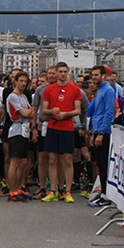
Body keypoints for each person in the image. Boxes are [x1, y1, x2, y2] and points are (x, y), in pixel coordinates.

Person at [40, 62, 82, 204]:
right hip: (53, 127)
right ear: (56, 73)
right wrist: (52, 111)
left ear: (68, 72)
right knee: (52, 159)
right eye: (60, 72)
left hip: (67, 128)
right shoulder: (49, 90)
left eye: (65, 71)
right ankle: (53, 190)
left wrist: (65, 114)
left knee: (68, 160)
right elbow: (44, 110)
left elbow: (78, 110)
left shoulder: (74, 89)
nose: (63, 74)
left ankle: (67, 190)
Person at [5, 71, 36, 202]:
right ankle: (12, 190)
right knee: (15, 161)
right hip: (16, 129)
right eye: (21, 81)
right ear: (15, 81)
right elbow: (26, 112)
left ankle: (18, 188)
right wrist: (29, 113)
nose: (23, 83)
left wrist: (29, 113)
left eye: (25, 81)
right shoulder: (13, 97)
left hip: (24, 130)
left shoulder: (23, 96)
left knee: (23, 162)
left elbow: (32, 112)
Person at [87, 65, 115, 207]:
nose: (94, 78)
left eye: (96, 75)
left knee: (104, 165)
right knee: (99, 164)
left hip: (104, 132)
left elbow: (109, 112)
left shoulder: (108, 90)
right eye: (93, 75)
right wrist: (94, 132)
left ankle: (107, 195)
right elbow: (95, 112)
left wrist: (102, 133)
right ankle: (104, 192)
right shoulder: (100, 91)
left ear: (103, 76)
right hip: (97, 130)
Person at [31, 65, 57, 199]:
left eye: (54, 73)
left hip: (56, 126)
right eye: (50, 73)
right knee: (42, 158)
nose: (52, 76)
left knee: (54, 158)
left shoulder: (61, 90)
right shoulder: (40, 90)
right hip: (42, 126)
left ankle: (55, 187)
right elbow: (34, 109)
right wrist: (33, 128)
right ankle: (42, 186)